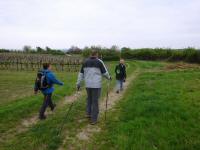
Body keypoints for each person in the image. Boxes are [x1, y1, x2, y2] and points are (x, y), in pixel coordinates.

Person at [76, 50, 111, 125]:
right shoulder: (99, 61)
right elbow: (105, 73)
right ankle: (94, 119)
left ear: (90, 54)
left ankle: (88, 113)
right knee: (95, 101)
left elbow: (81, 74)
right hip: (96, 85)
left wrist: (78, 83)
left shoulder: (85, 62)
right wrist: (109, 77)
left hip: (88, 85)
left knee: (89, 99)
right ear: (96, 54)